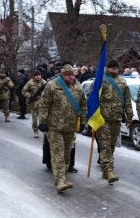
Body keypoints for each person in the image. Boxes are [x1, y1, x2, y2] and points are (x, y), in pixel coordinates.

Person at [39, 64, 86, 193]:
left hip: (70, 127)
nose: (71, 77)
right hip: (54, 126)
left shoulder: (78, 86)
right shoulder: (52, 85)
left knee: (66, 155)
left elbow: (83, 106)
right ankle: (59, 181)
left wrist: (83, 121)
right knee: (57, 154)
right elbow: (44, 104)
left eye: (73, 74)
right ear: (63, 75)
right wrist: (42, 121)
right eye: (68, 75)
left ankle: (63, 177)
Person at [97, 59, 133, 183]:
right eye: (112, 68)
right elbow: (93, 97)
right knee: (105, 145)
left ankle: (105, 170)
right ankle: (109, 170)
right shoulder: (101, 80)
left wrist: (129, 116)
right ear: (107, 68)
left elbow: (127, 100)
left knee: (112, 145)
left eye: (116, 68)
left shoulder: (123, 81)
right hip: (103, 118)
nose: (114, 70)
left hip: (117, 118)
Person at [22, 70, 46, 138]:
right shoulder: (30, 83)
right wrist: (30, 96)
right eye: (37, 75)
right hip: (34, 103)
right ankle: (35, 131)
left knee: (43, 118)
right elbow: (24, 91)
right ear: (34, 76)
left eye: (39, 75)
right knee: (35, 119)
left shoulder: (44, 82)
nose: (38, 76)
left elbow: (48, 90)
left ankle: (45, 131)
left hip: (42, 103)